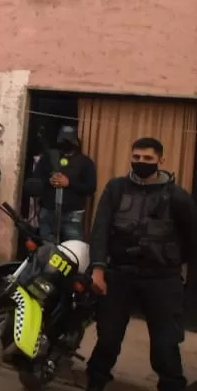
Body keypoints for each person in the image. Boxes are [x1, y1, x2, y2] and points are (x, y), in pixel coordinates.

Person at [85, 137, 196, 391]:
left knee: (165, 345)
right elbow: (100, 229)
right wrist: (99, 269)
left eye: (147, 158)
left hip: (162, 280)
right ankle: (95, 384)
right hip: (120, 276)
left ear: (161, 160)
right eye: (136, 158)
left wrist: (180, 273)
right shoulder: (116, 188)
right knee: (108, 339)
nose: (141, 163)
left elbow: (191, 240)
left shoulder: (177, 197)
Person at [33, 126, 96, 242]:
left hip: (72, 214)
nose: (65, 144)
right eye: (63, 141)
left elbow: (90, 187)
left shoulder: (85, 162)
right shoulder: (48, 157)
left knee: (72, 252)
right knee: (47, 251)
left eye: (68, 141)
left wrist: (69, 183)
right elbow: (36, 180)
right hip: (48, 211)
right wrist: (49, 180)